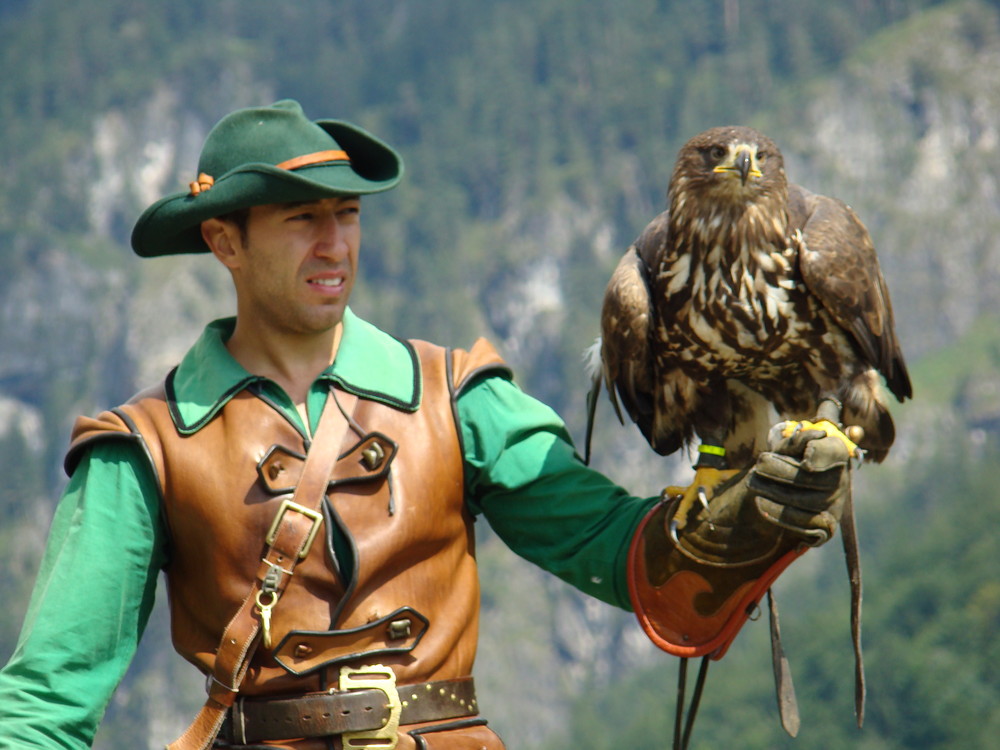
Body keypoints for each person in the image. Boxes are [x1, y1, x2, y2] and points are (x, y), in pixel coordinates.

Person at [0, 100, 851, 750]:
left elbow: (614, 548)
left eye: (349, 216)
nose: (334, 244)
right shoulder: (143, 448)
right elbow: (43, 705)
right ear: (224, 241)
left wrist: (730, 529)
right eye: (303, 220)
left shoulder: (456, 397)